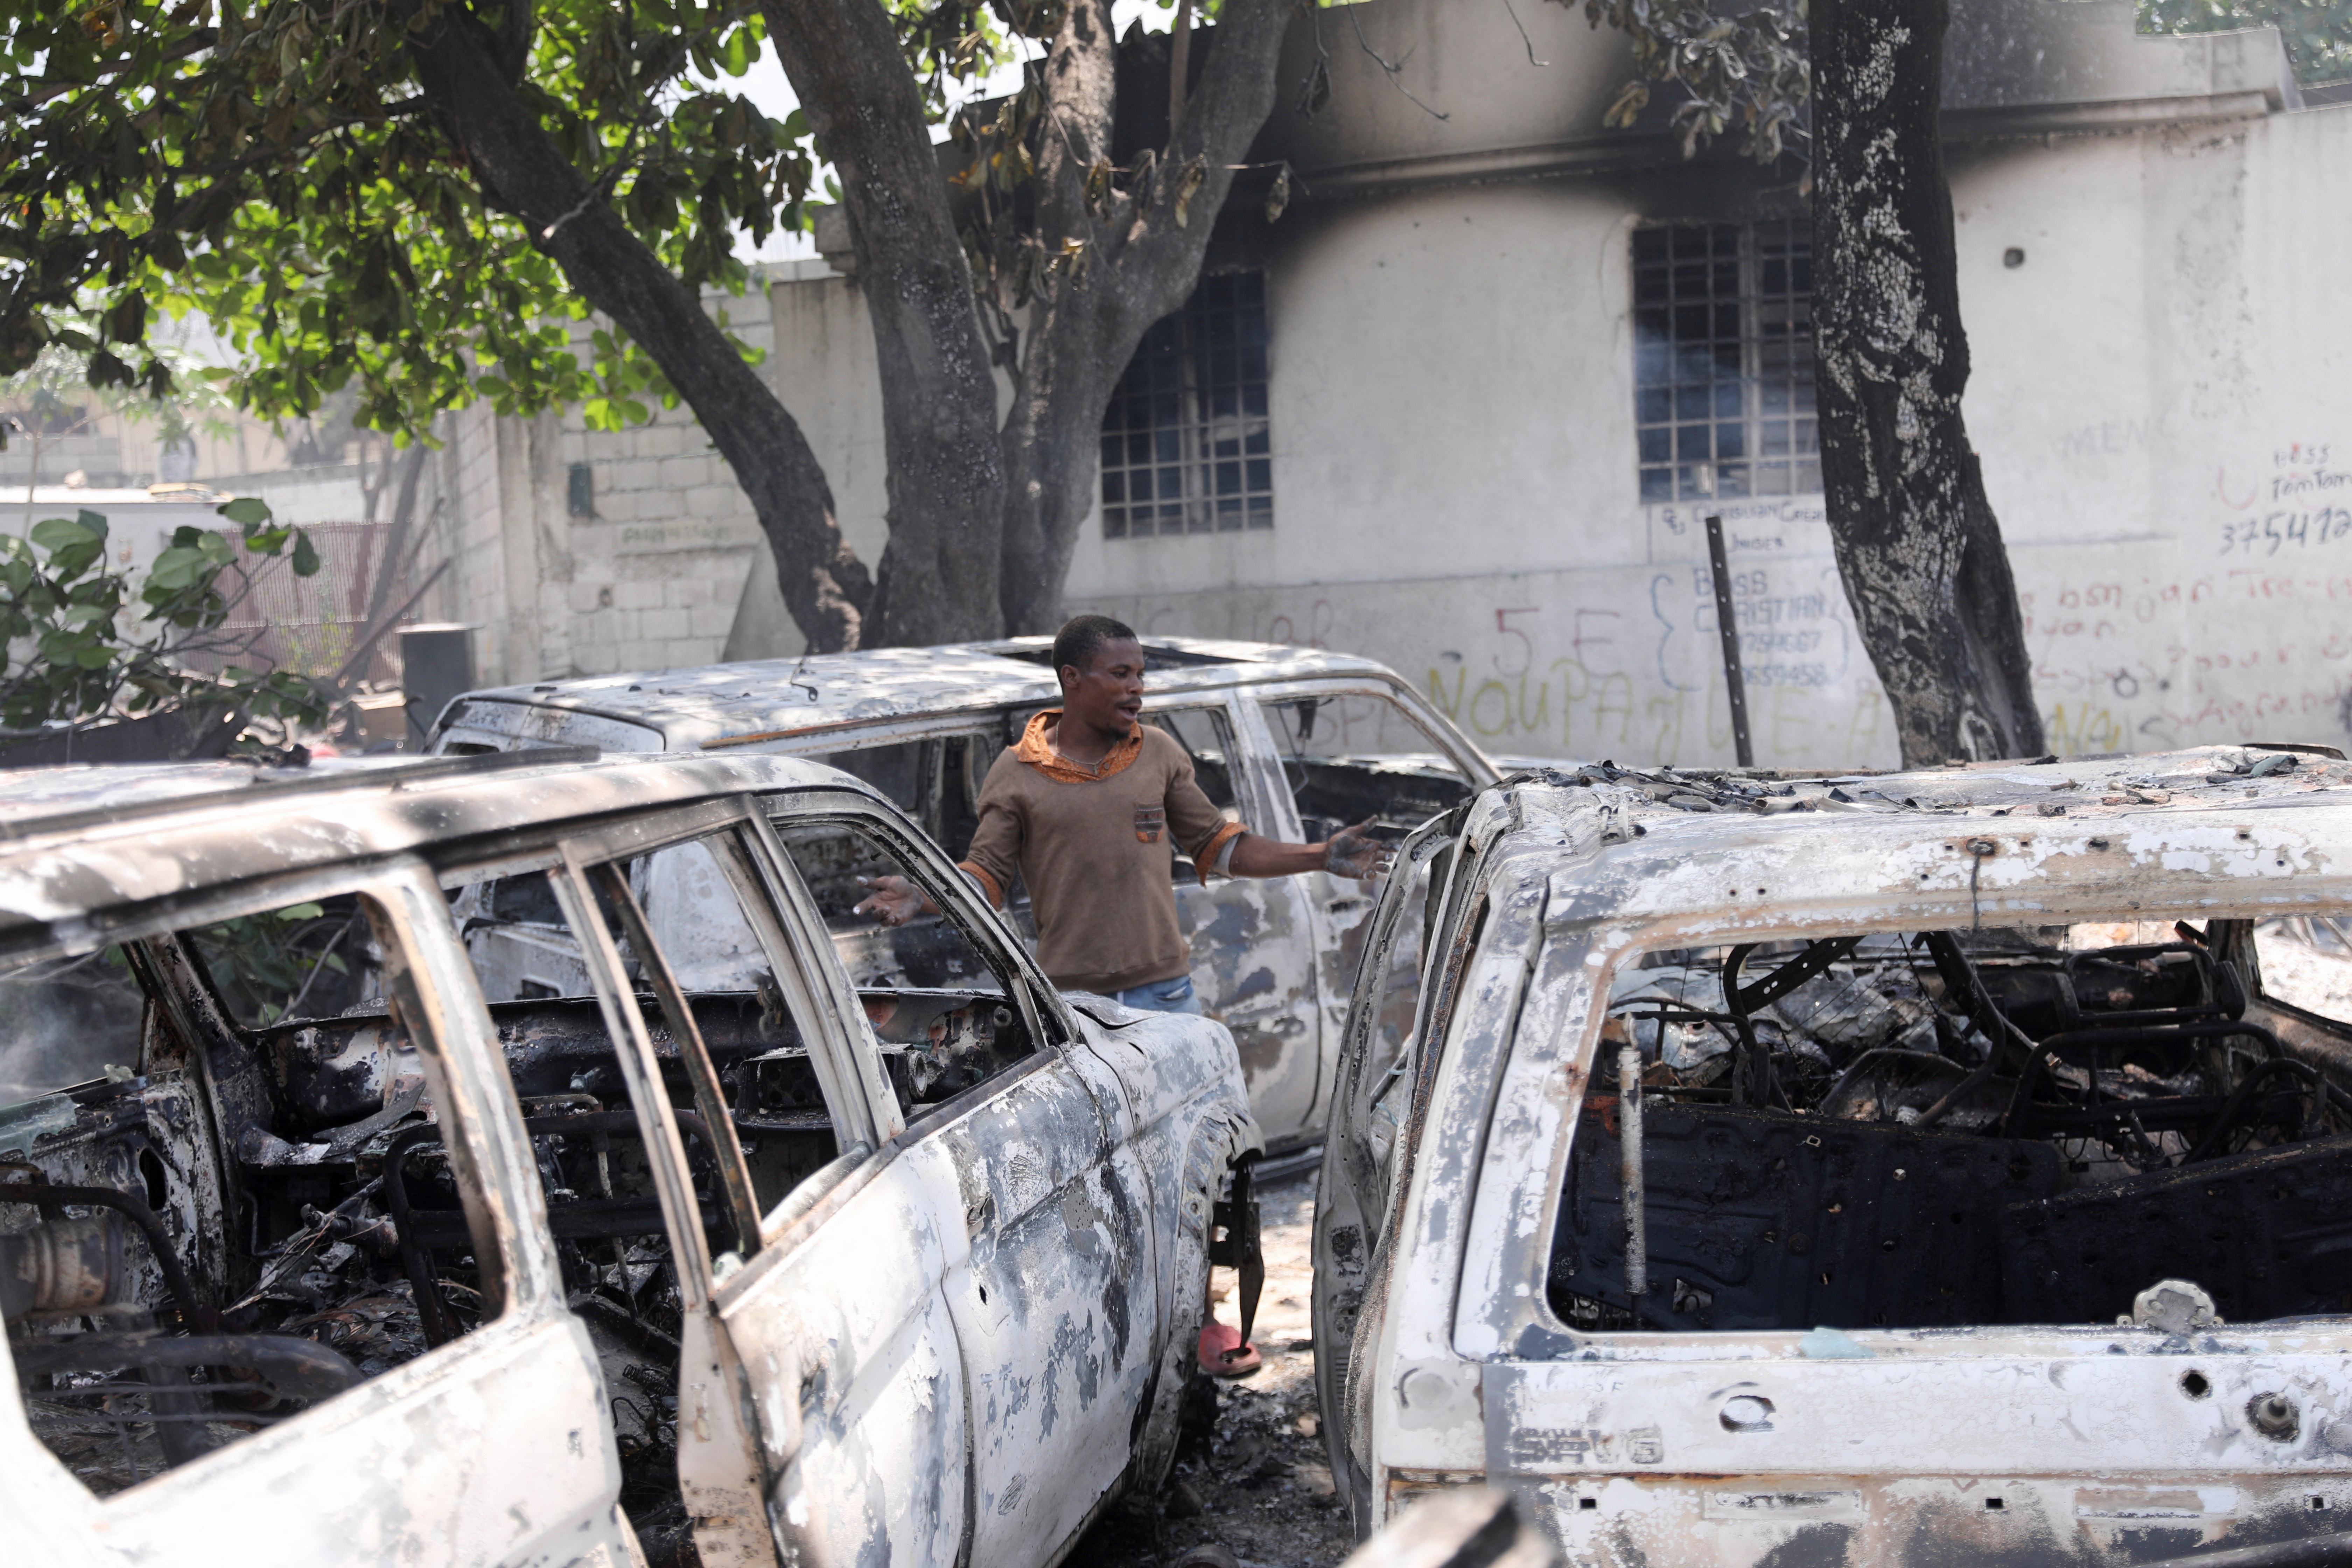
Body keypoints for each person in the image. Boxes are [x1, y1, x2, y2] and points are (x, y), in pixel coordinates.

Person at [853, 614, 1395, 1014]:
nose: (1137, 687)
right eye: (1120, 674)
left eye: (1140, 674)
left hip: (1167, 996)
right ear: (1073, 679)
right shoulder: (1016, 771)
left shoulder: (1157, 753)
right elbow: (987, 879)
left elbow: (1221, 845)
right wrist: (925, 895)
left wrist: (1320, 855)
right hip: (1075, 1006)